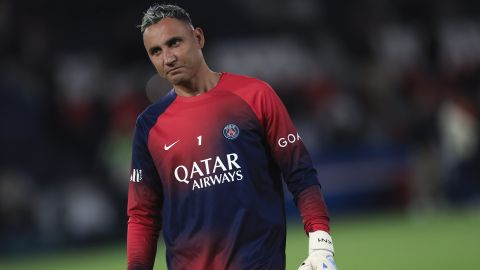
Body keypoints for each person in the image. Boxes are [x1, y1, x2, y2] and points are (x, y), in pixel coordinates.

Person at [127, 3, 338, 270]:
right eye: (155, 51)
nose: (167, 58)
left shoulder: (255, 96)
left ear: (198, 38)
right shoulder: (149, 125)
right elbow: (142, 215)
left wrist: (321, 243)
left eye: (174, 43)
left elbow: (300, 173)